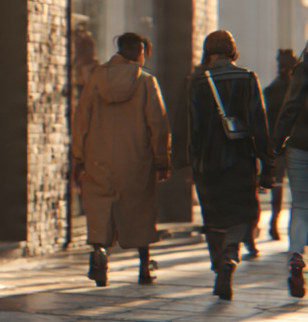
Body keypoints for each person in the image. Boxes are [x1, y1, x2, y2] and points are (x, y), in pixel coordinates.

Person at [72, 33, 171, 286]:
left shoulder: (96, 78)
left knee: (100, 209)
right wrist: (162, 160)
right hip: (136, 159)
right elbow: (158, 124)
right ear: (140, 51)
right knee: (139, 210)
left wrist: (79, 156)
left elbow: (81, 118)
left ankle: (99, 252)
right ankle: (144, 268)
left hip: (98, 156)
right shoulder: (147, 81)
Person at [183, 31, 273, 300]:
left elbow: (192, 127)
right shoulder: (247, 78)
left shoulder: (197, 82)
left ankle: (217, 262)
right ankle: (229, 257)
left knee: (213, 217)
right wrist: (266, 162)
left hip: (207, 162)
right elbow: (259, 122)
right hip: (240, 160)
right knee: (240, 214)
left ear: (207, 50)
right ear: (232, 50)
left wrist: (192, 162)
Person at [270, 43, 308, 299]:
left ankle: (296, 257)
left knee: (301, 204)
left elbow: (291, 106)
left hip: (300, 145)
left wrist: (276, 142)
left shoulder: (304, 69)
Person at [262, 49, 298, 246]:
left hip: (276, 145)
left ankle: (274, 222)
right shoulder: (297, 90)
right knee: (298, 190)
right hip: (297, 145)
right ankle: (294, 229)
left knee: (277, 185)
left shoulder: (270, 90)